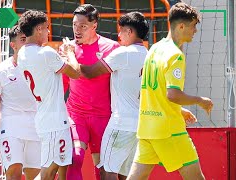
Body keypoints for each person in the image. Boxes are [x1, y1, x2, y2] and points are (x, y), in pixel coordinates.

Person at [128, 2, 213, 180]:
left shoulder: (154, 49)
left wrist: (179, 110)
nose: (195, 31)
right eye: (193, 26)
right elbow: (172, 94)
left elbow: (151, 90)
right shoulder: (175, 55)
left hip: (147, 128)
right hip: (169, 131)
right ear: (181, 26)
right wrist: (200, 100)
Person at [78, 12, 149, 180]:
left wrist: (70, 58)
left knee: (107, 172)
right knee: (126, 175)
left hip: (121, 123)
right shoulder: (150, 55)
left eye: (121, 31)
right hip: (140, 125)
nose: (118, 35)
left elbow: (89, 72)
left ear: (130, 32)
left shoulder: (123, 54)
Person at [17, 10, 80, 180]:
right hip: (54, 120)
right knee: (50, 170)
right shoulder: (45, 53)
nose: (48, 32)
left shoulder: (22, 53)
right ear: (38, 29)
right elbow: (75, 72)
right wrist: (69, 53)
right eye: (46, 28)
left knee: (60, 166)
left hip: (47, 116)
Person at [61, 4, 120, 180]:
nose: (76, 30)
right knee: (75, 158)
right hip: (76, 114)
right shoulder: (66, 49)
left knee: (104, 169)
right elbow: (62, 84)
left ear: (94, 26)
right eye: (74, 25)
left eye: (82, 26)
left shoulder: (112, 48)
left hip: (104, 116)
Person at [0, 25, 41, 180]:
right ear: (13, 45)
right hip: (11, 127)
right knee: (13, 172)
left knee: (34, 175)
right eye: (22, 40)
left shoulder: (42, 67)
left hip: (37, 127)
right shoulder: (0, 71)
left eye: (28, 39)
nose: (27, 43)